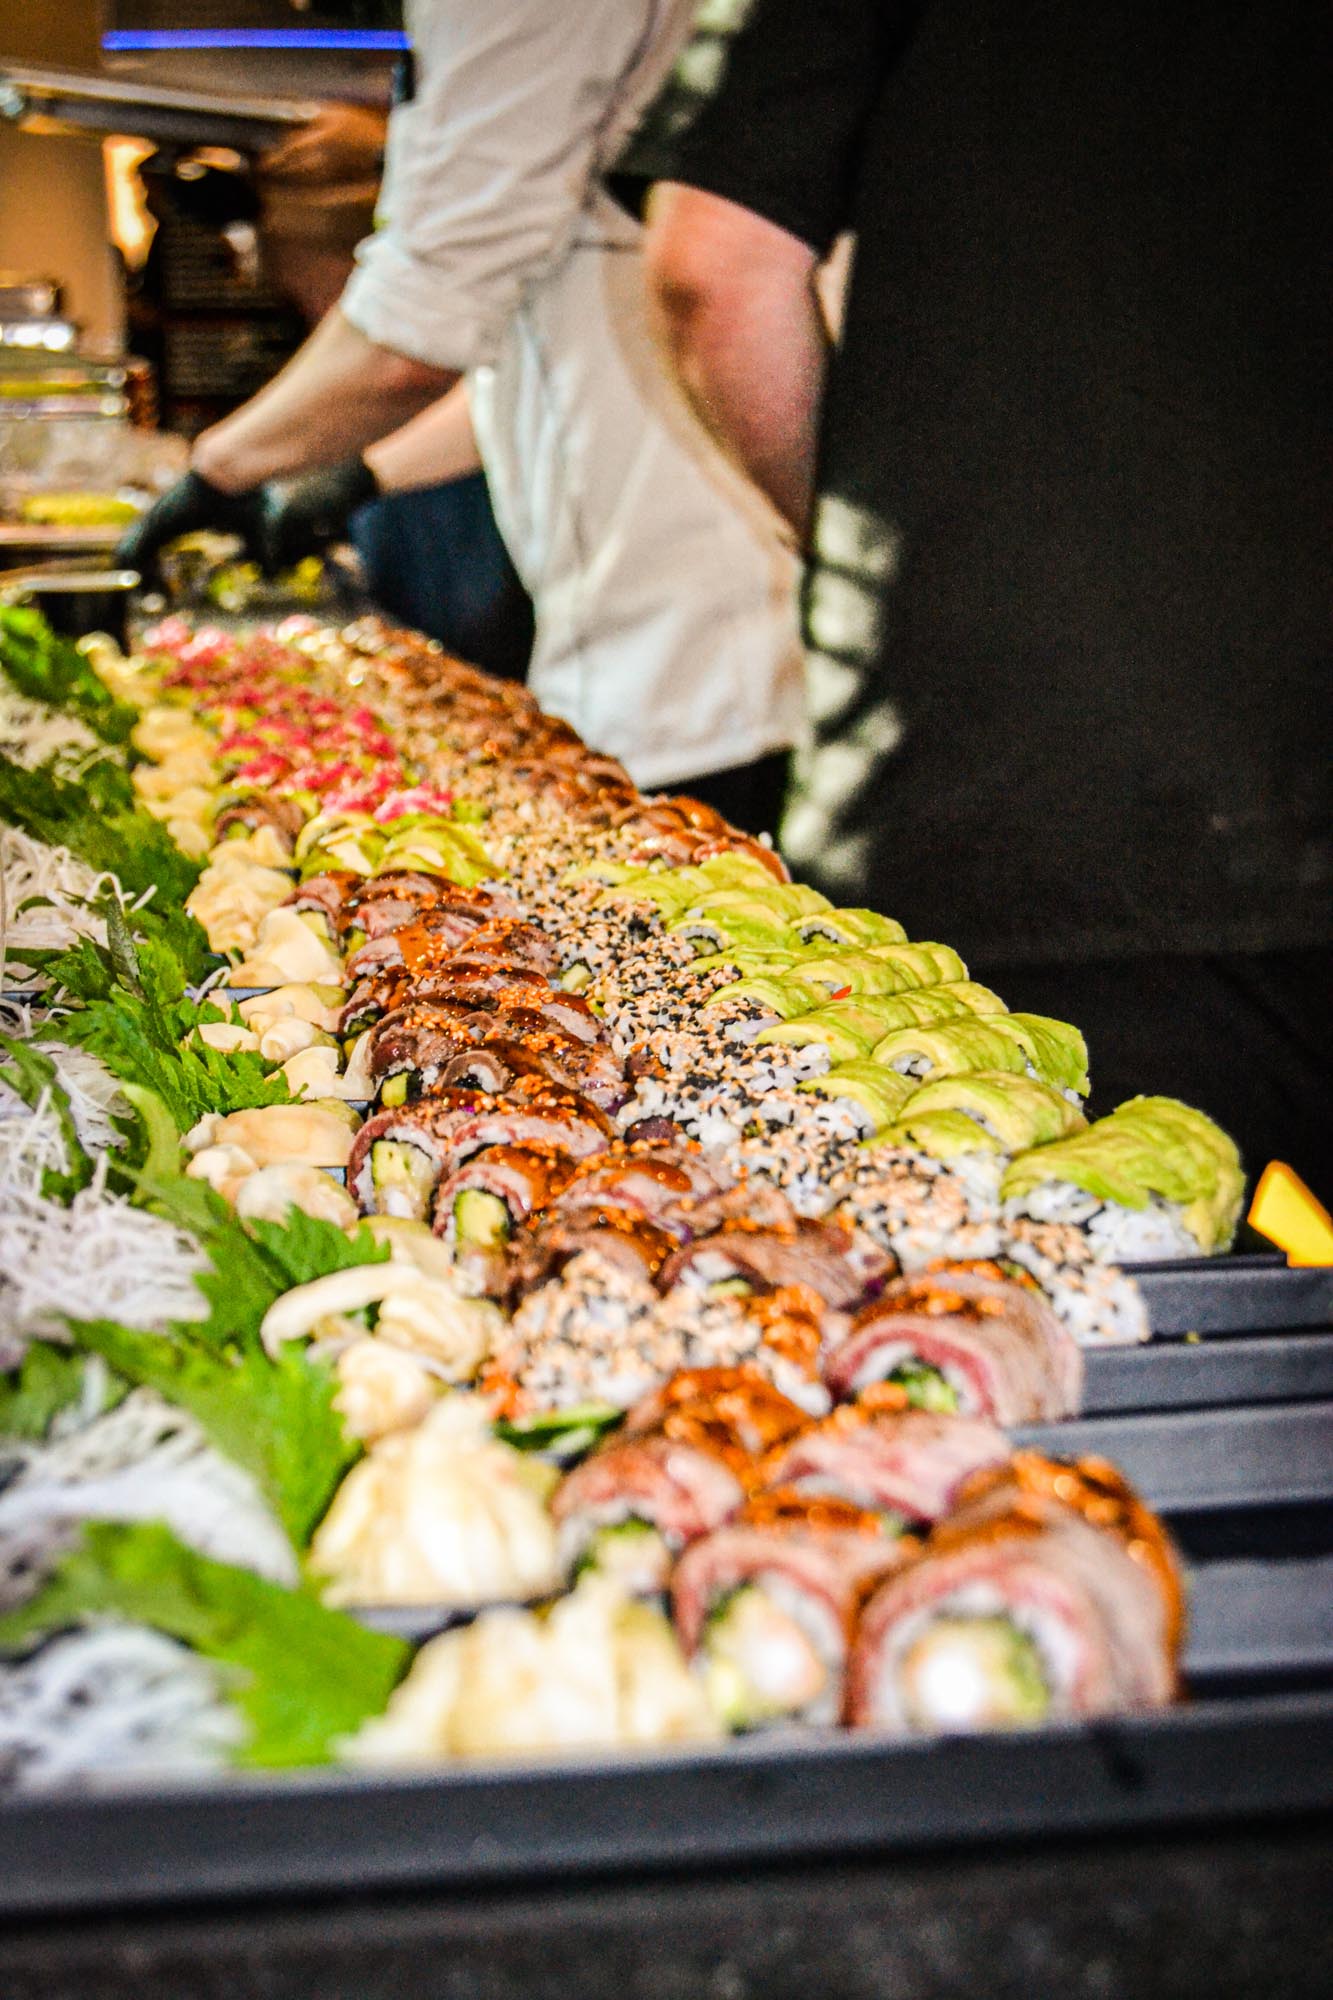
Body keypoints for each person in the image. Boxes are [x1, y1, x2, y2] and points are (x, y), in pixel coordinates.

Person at [623, 0, 1332, 1194]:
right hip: (1221, 751)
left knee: (1017, 1286)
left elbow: (716, 268)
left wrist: (883, 544)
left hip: (1025, 770)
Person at [117, 1, 805, 834]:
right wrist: (358, 476)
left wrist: (217, 470)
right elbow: (520, 370)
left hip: (694, 666)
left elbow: (413, 335)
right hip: (658, 653)